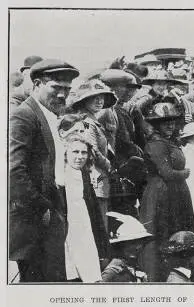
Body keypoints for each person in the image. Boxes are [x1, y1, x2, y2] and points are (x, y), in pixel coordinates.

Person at [9, 59, 79, 282]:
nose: (62, 95)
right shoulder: (24, 115)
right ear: (37, 84)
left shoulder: (46, 115)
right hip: (35, 219)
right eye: (56, 88)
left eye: (66, 89)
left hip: (49, 213)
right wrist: (41, 208)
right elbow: (13, 171)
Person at [139, 102, 194, 282]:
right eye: (165, 122)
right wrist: (185, 173)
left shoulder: (169, 142)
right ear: (156, 124)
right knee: (162, 234)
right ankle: (160, 276)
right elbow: (166, 173)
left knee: (178, 232)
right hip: (161, 196)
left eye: (172, 121)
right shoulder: (155, 144)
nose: (170, 125)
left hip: (175, 194)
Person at [57, 133, 111, 282]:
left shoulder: (84, 175)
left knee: (88, 270)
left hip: (83, 224)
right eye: (75, 152)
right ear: (66, 154)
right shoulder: (59, 175)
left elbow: (93, 209)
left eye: (84, 152)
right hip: (66, 227)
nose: (80, 156)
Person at [64, 80, 117, 226]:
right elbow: (91, 149)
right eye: (94, 97)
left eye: (102, 97)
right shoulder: (86, 122)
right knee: (98, 224)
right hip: (95, 178)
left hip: (99, 178)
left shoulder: (93, 121)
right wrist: (108, 165)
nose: (99, 100)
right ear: (84, 100)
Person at [97, 69, 146, 217]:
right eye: (125, 87)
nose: (127, 91)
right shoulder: (104, 112)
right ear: (113, 88)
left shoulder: (117, 109)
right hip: (112, 169)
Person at [101, 212, 153, 282]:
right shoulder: (114, 270)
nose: (138, 247)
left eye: (141, 243)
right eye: (133, 243)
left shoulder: (132, 265)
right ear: (122, 244)